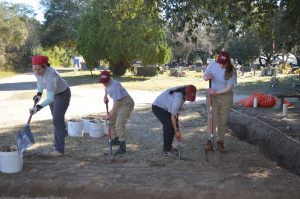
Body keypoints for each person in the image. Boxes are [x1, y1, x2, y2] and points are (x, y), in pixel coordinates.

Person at [30, 55, 71, 157]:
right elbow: (39, 81)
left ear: (44, 66)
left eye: (38, 69)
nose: (36, 72)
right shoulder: (37, 71)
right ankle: (62, 132)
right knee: (57, 118)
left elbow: (50, 99)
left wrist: (37, 108)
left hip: (62, 94)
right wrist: (38, 94)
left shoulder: (51, 76)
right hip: (54, 94)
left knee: (57, 120)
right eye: (34, 69)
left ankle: (59, 150)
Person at [203, 51, 237, 153]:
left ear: (228, 62)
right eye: (219, 62)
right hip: (212, 96)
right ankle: (209, 141)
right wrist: (207, 77)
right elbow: (205, 76)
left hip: (225, 96)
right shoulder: (212, 65)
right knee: (212, 118)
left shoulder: (232, 71)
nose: (221, 64)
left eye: (223, 63)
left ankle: (220, 142)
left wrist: (216, 92)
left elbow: (229, 88)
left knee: (223, 120)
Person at [152, 85, 197, 157]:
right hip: (158, 107)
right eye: (187, 98)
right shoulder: (178, 99)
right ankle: (167, 150)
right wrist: (176, 132)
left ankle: (169, 146)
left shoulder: (185, 89)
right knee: (169, 126)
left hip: (166, 107)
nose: (188, 100)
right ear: (184, 94)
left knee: (174, 126)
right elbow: (173, 116)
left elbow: (174, 109)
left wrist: (176, 129)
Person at [99, 70, 134, 155]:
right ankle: (115, 138)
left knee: (119, 123)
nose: (103, 84)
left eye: (105, 82)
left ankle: (122, 145)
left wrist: (110, 114)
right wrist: (105, 96)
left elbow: (116, 103)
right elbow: (106, 89)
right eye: (102, 82)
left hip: (126, 104)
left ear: (109, 79)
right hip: (119, 103)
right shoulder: (107, 83)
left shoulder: (115, 86)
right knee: (110, 121)